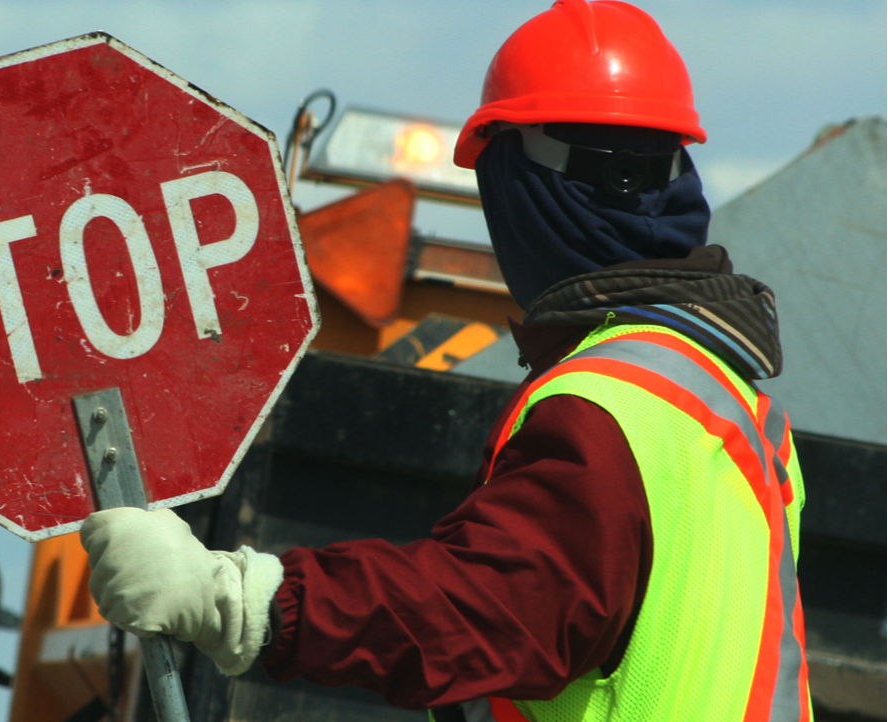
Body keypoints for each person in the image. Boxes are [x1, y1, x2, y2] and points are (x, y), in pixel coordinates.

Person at [80, 1, 812, 719]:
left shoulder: (606, 401)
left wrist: (241, 602)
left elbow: (495, 611)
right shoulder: (740, 415)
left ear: (515, 192)